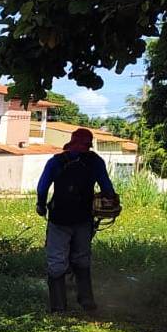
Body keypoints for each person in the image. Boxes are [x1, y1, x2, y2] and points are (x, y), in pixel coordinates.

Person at [37, 126, 117, 313]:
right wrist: (108, 202)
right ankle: (86, 301)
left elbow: (42, 188)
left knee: (56, 261)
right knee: (82, 259)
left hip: (59, 219)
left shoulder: (56, 161)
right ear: (89, 145)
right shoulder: (95, 162)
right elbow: (107, 189)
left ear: (71, 143)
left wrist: (41, 206)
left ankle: (58, 307)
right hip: (84, 218)